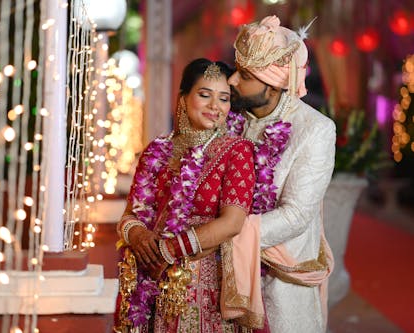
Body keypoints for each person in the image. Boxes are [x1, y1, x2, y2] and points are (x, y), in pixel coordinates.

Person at [114, 58, 262, 333]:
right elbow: (130, 216)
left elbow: (232, 222)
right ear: (184, 98)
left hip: (204, 287)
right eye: (204, 95)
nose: (215, 107)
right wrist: (137, 235)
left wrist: (169, 250)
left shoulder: (236, 151)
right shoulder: (157, 150)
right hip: (150, 282)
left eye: (224, 99)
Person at [227, 15, 336, 333]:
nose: (232, 81)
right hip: (224, 278)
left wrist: (223, 233)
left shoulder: (315, 129)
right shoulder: (232, 120)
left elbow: (296, 215)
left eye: (245, 75)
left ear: (274, 83)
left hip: (283, 282)